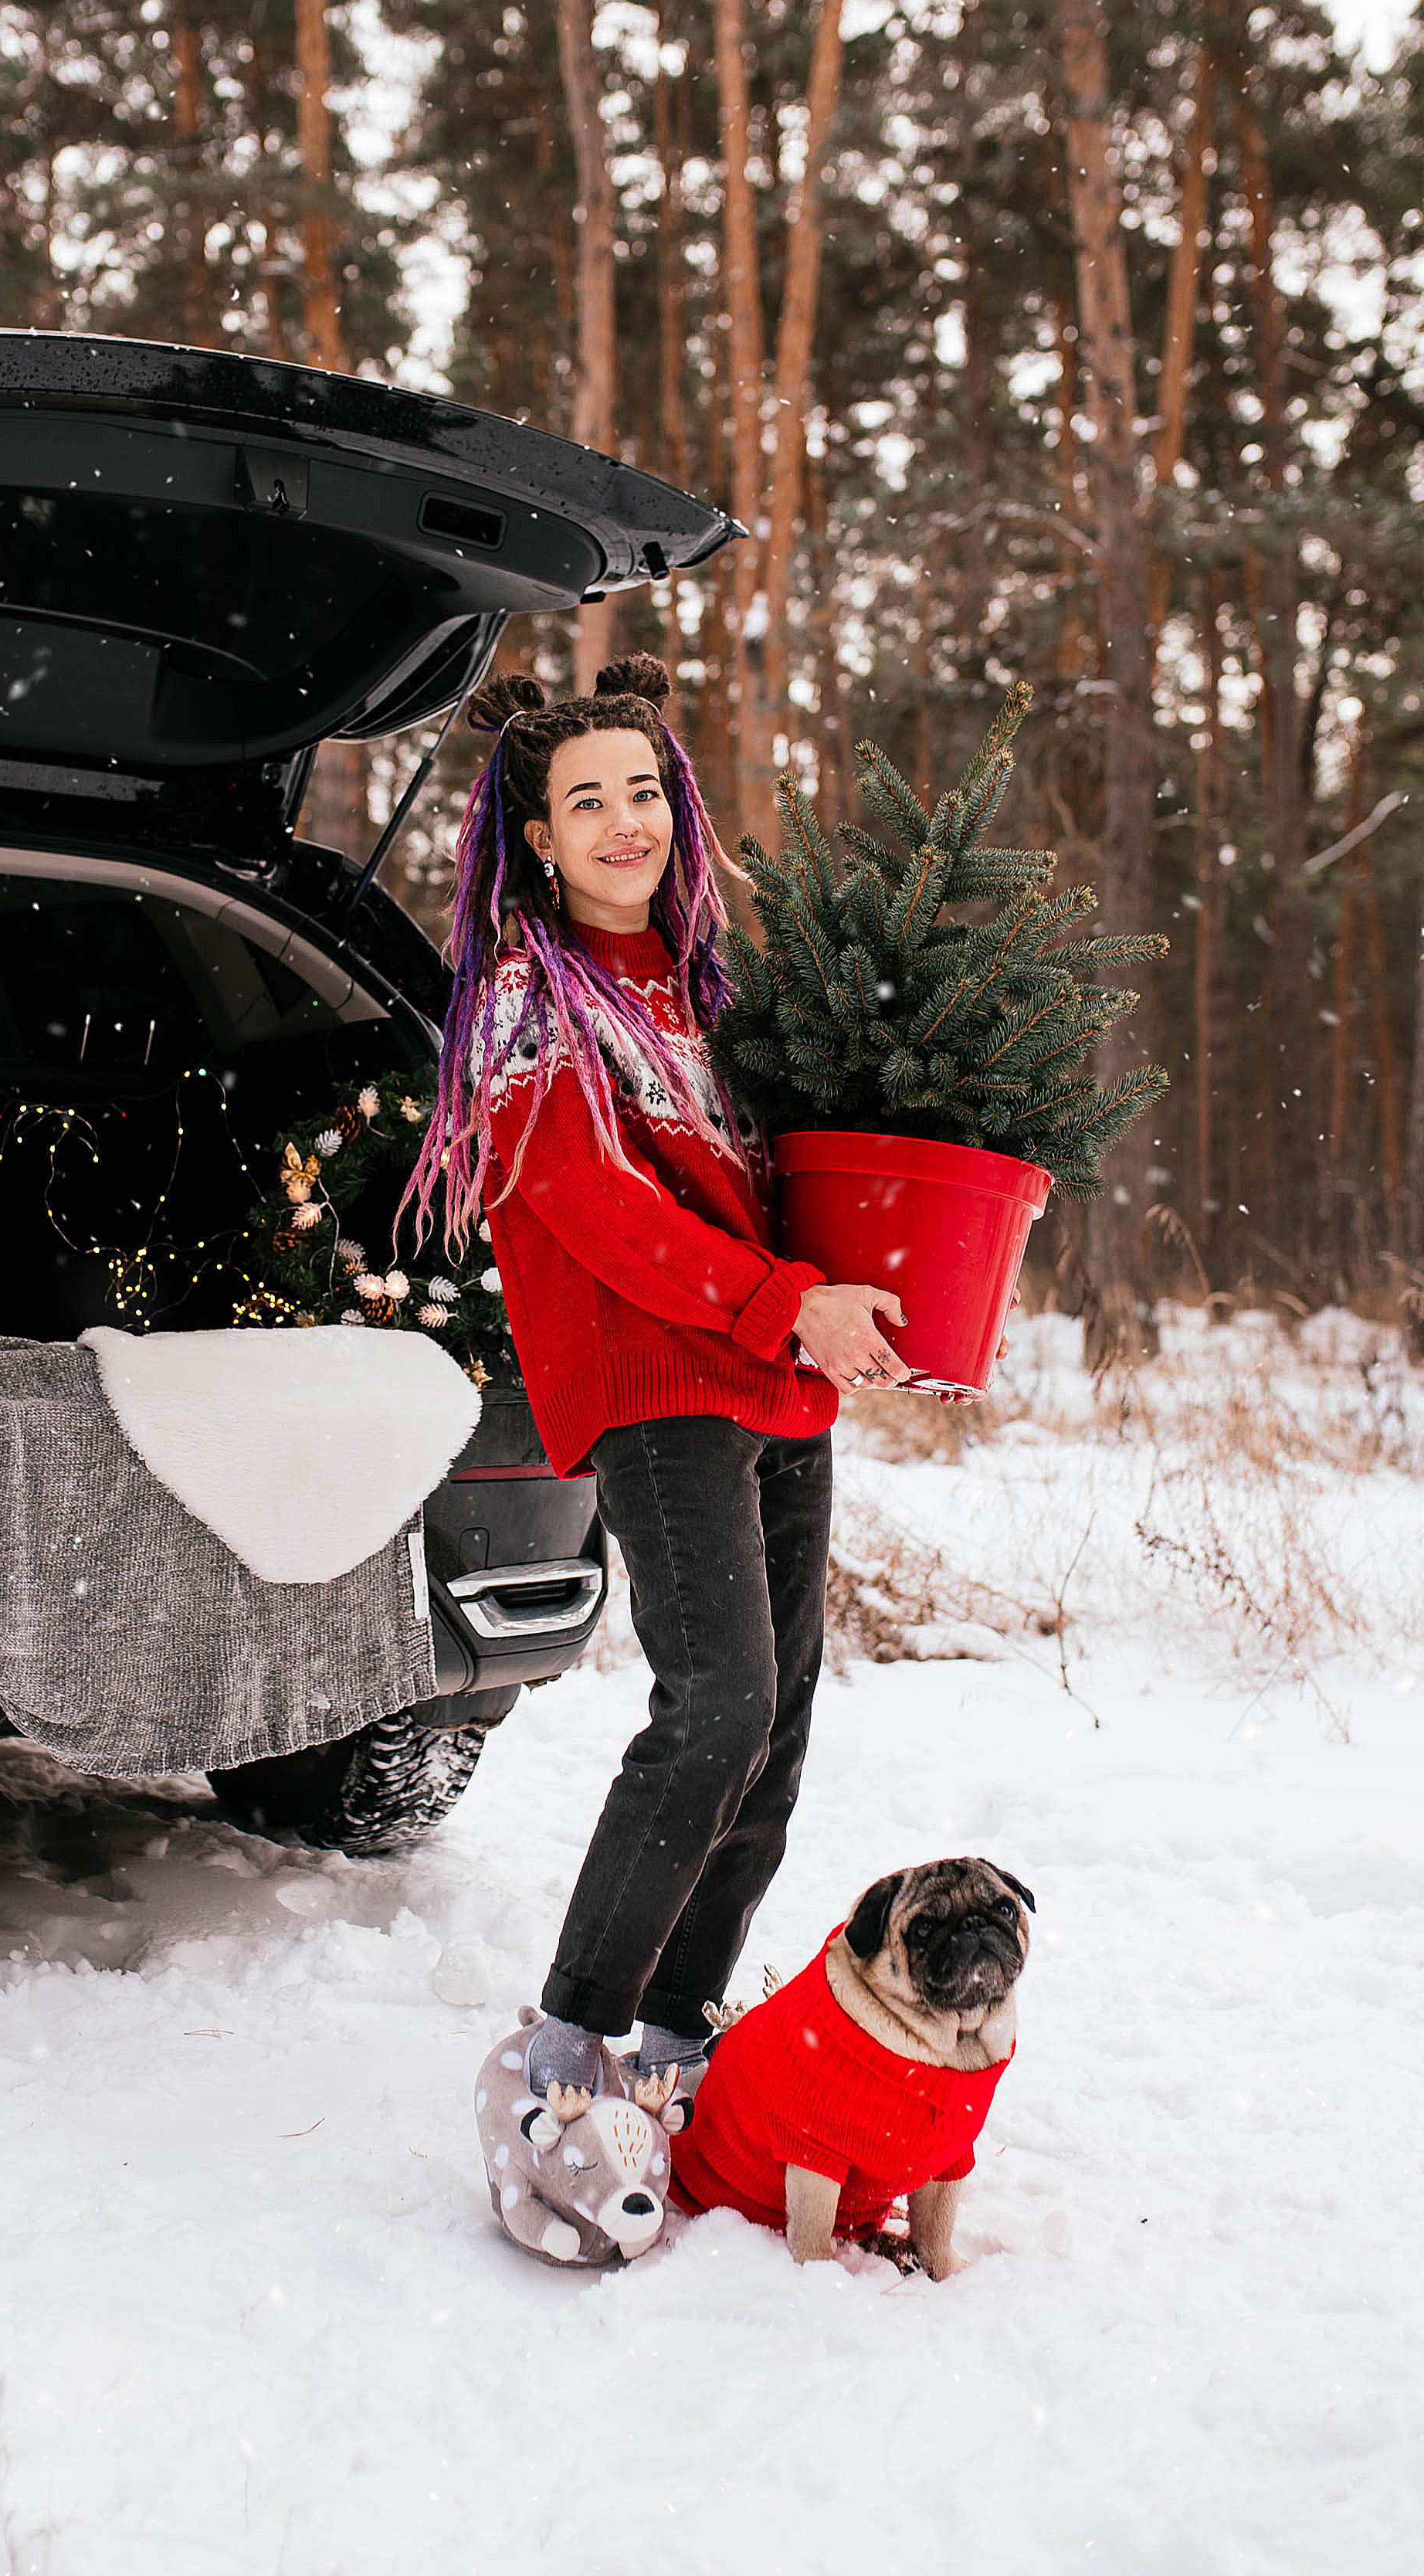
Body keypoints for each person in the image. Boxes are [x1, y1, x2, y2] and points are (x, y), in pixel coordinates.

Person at [403, 653, 911, 2103]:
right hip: (659, 1377)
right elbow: (588, 1201)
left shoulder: (710, 990)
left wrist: (885, 1282)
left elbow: (787, 1179)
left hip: (771, 1379)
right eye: (587, 801)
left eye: (643, 789)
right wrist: (779, 1305)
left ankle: (678, 2037)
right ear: (538, 838)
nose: (626, 821)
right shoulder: (521, 998)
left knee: (780, 1718)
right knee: (717, 1709)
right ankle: (566, 2041)